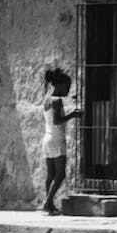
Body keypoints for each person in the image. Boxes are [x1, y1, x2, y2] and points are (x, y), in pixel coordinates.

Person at [42, 68, 81, 215]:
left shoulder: (46, 99)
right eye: (67, 86)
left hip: (47, 139)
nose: (68, 90)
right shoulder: (57, 101)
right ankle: (47, 203)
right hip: (57, 139)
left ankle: (50, 205)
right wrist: (73, 115)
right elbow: (57, 120)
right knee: (60, 175)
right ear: (59, 85)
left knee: (50, 175)